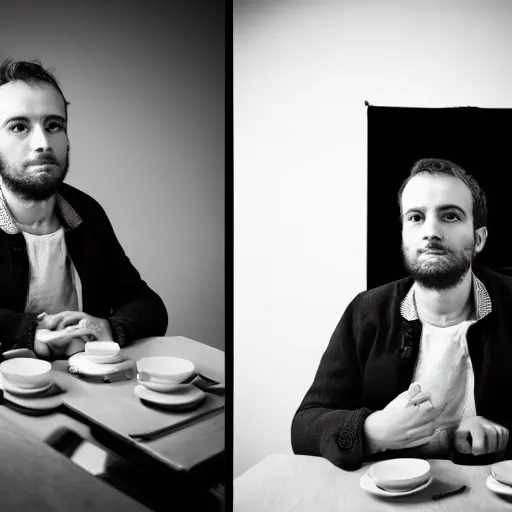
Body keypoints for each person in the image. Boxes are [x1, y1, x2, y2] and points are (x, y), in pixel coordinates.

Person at [291, 157, 512, 471]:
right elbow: (304, 426)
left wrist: (501, 433)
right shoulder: (366, 312)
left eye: (450, 215)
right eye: (416, 217)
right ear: (404, 234)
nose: (431, 232)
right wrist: (372, 431)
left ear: (478, 238)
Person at [0, 59, 168, 359]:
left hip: (89, 390)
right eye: (18, 127)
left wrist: (109, 328)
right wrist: (28, 333)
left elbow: (147, 304)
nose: (42, 143)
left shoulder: (85, 213)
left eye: (53, 126)